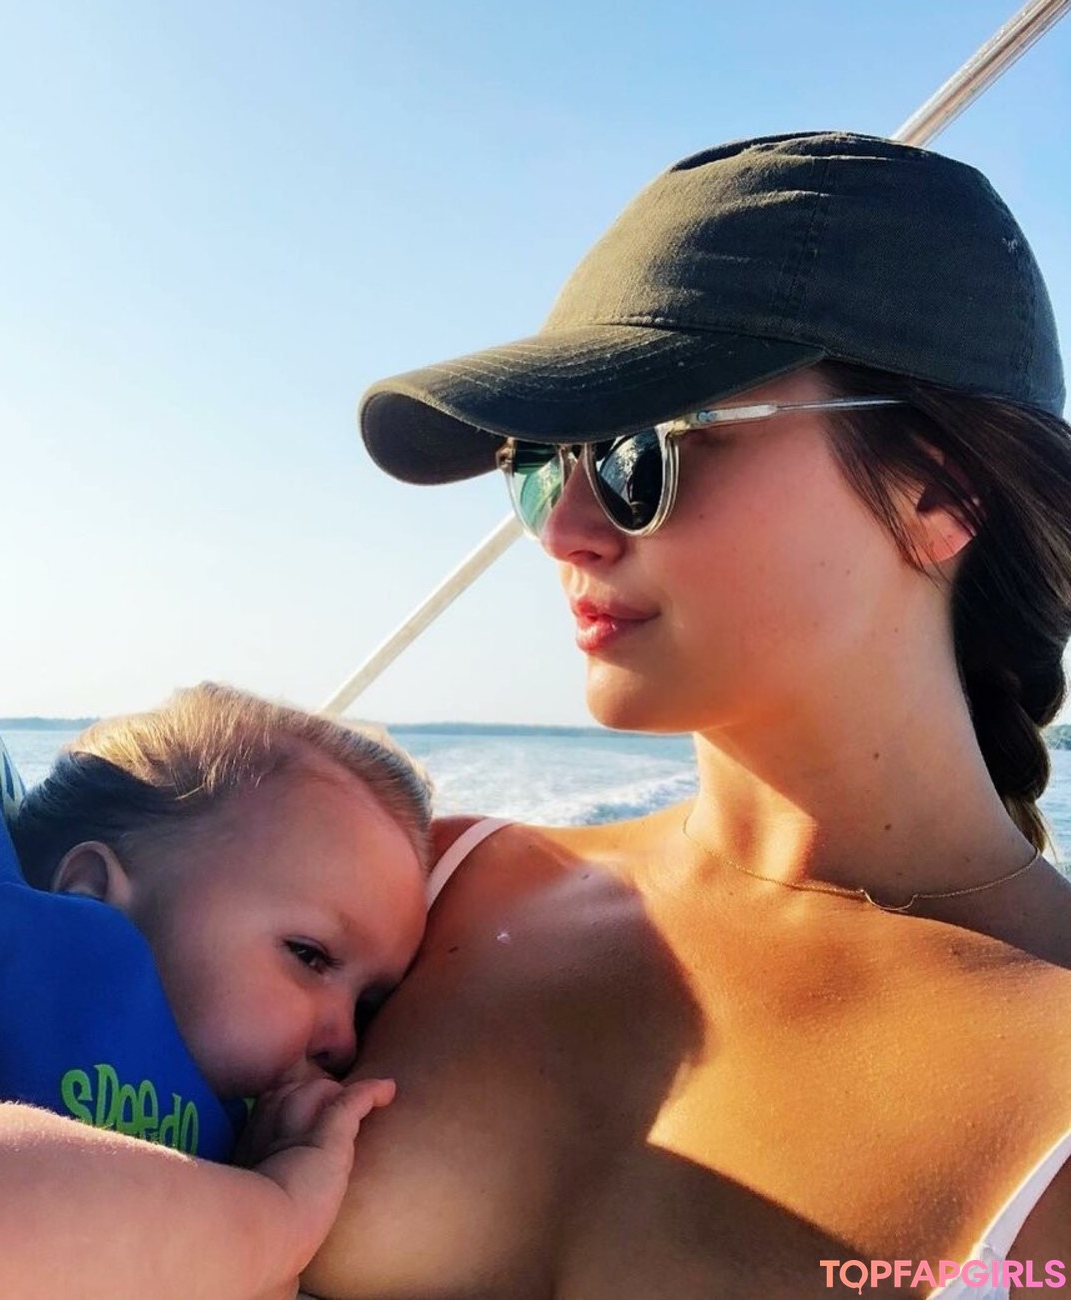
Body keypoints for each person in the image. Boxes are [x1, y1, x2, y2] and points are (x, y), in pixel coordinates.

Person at [301, 133, 1071, 1299]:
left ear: (938, 492)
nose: (564, 532)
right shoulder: (411, 897)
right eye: (537, 465)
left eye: (636, 453)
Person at [0, 682, 432, 1300]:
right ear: (88, 890)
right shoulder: (21, 968)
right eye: (308, 955)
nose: (347, 1042)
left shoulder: (250, 1126)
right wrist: (279, 1218)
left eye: (367, 1006)